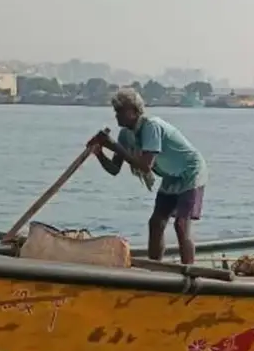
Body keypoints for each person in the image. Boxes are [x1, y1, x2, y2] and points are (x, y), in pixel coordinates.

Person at [88, 87, 208, 265]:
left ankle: (189, 272)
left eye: (121, 111)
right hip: (171, 176)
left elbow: (145, 166)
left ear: (134, 111)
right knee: (156, 222)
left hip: (191, 171)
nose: (117, 116)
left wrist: (113, 145)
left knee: (181, 224)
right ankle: (155, 268)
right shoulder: (125, 135)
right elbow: (114, 169)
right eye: (116, 111)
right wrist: (99, 152)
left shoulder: (151, 126)